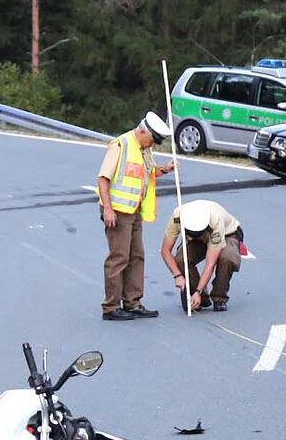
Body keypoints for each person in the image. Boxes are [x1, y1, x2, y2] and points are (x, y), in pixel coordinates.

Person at [97, 112, 176, 321]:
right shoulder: (120, 145)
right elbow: (103, 178)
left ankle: (133, 302)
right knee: (119, 258)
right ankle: (111, 307)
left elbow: (147, 173)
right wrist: (107, 209)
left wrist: (164, 170)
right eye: (152, 140)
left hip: (135, 211)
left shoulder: (144, 149)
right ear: (142, 131)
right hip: (117, 212)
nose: (154, 145)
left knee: (137, 256)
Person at [160, 199, 243, 312]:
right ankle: (198, 298)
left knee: (227, 257)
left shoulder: (215, 220)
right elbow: (165, 250)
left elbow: (210, 264)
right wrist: (177, 275)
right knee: (181, 259)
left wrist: (198, 290)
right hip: (196, 240)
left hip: (227, 234)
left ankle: (219, 297)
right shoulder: (177, 217)